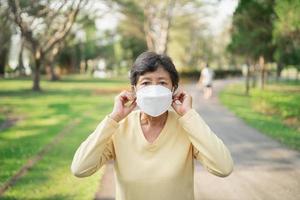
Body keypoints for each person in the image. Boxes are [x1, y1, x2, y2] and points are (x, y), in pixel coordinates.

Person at [71, 52, 233, 200]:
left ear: (173, 89)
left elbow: (223, 167)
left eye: (162, 83)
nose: (154, 90)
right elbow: (80, 168)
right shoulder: (119, 128)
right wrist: (114, 118)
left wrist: (189, 115)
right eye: (146, 83)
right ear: (134, 89)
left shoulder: (187, 126)